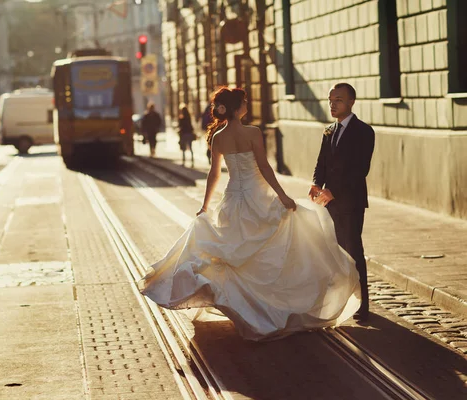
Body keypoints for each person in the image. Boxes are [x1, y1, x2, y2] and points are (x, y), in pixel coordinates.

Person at [139, 87, 361, 341]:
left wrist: (205, 205)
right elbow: (265, 168)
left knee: (236, 253)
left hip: (233, 198)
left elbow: (214, 174)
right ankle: (276, 306)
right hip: (258, 196)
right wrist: (282, 196)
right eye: (244, 102)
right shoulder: (253, 133)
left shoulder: (218, 137)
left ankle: (246, 308)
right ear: (235, 108)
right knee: (275, 249)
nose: (247, 104)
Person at [309, 83, 375, 322]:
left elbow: (360, 170)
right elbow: (321, 163)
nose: (332, 104)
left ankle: (362, 305)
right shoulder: (328, 130)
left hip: (350, 202)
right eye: (330, 99)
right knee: (332, 253)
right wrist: (316, 183)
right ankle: (340, 301)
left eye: (338, 99)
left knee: (353, 252)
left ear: (351, 102)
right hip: (328, 202)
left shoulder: (364, 131)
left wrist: (333, 190)